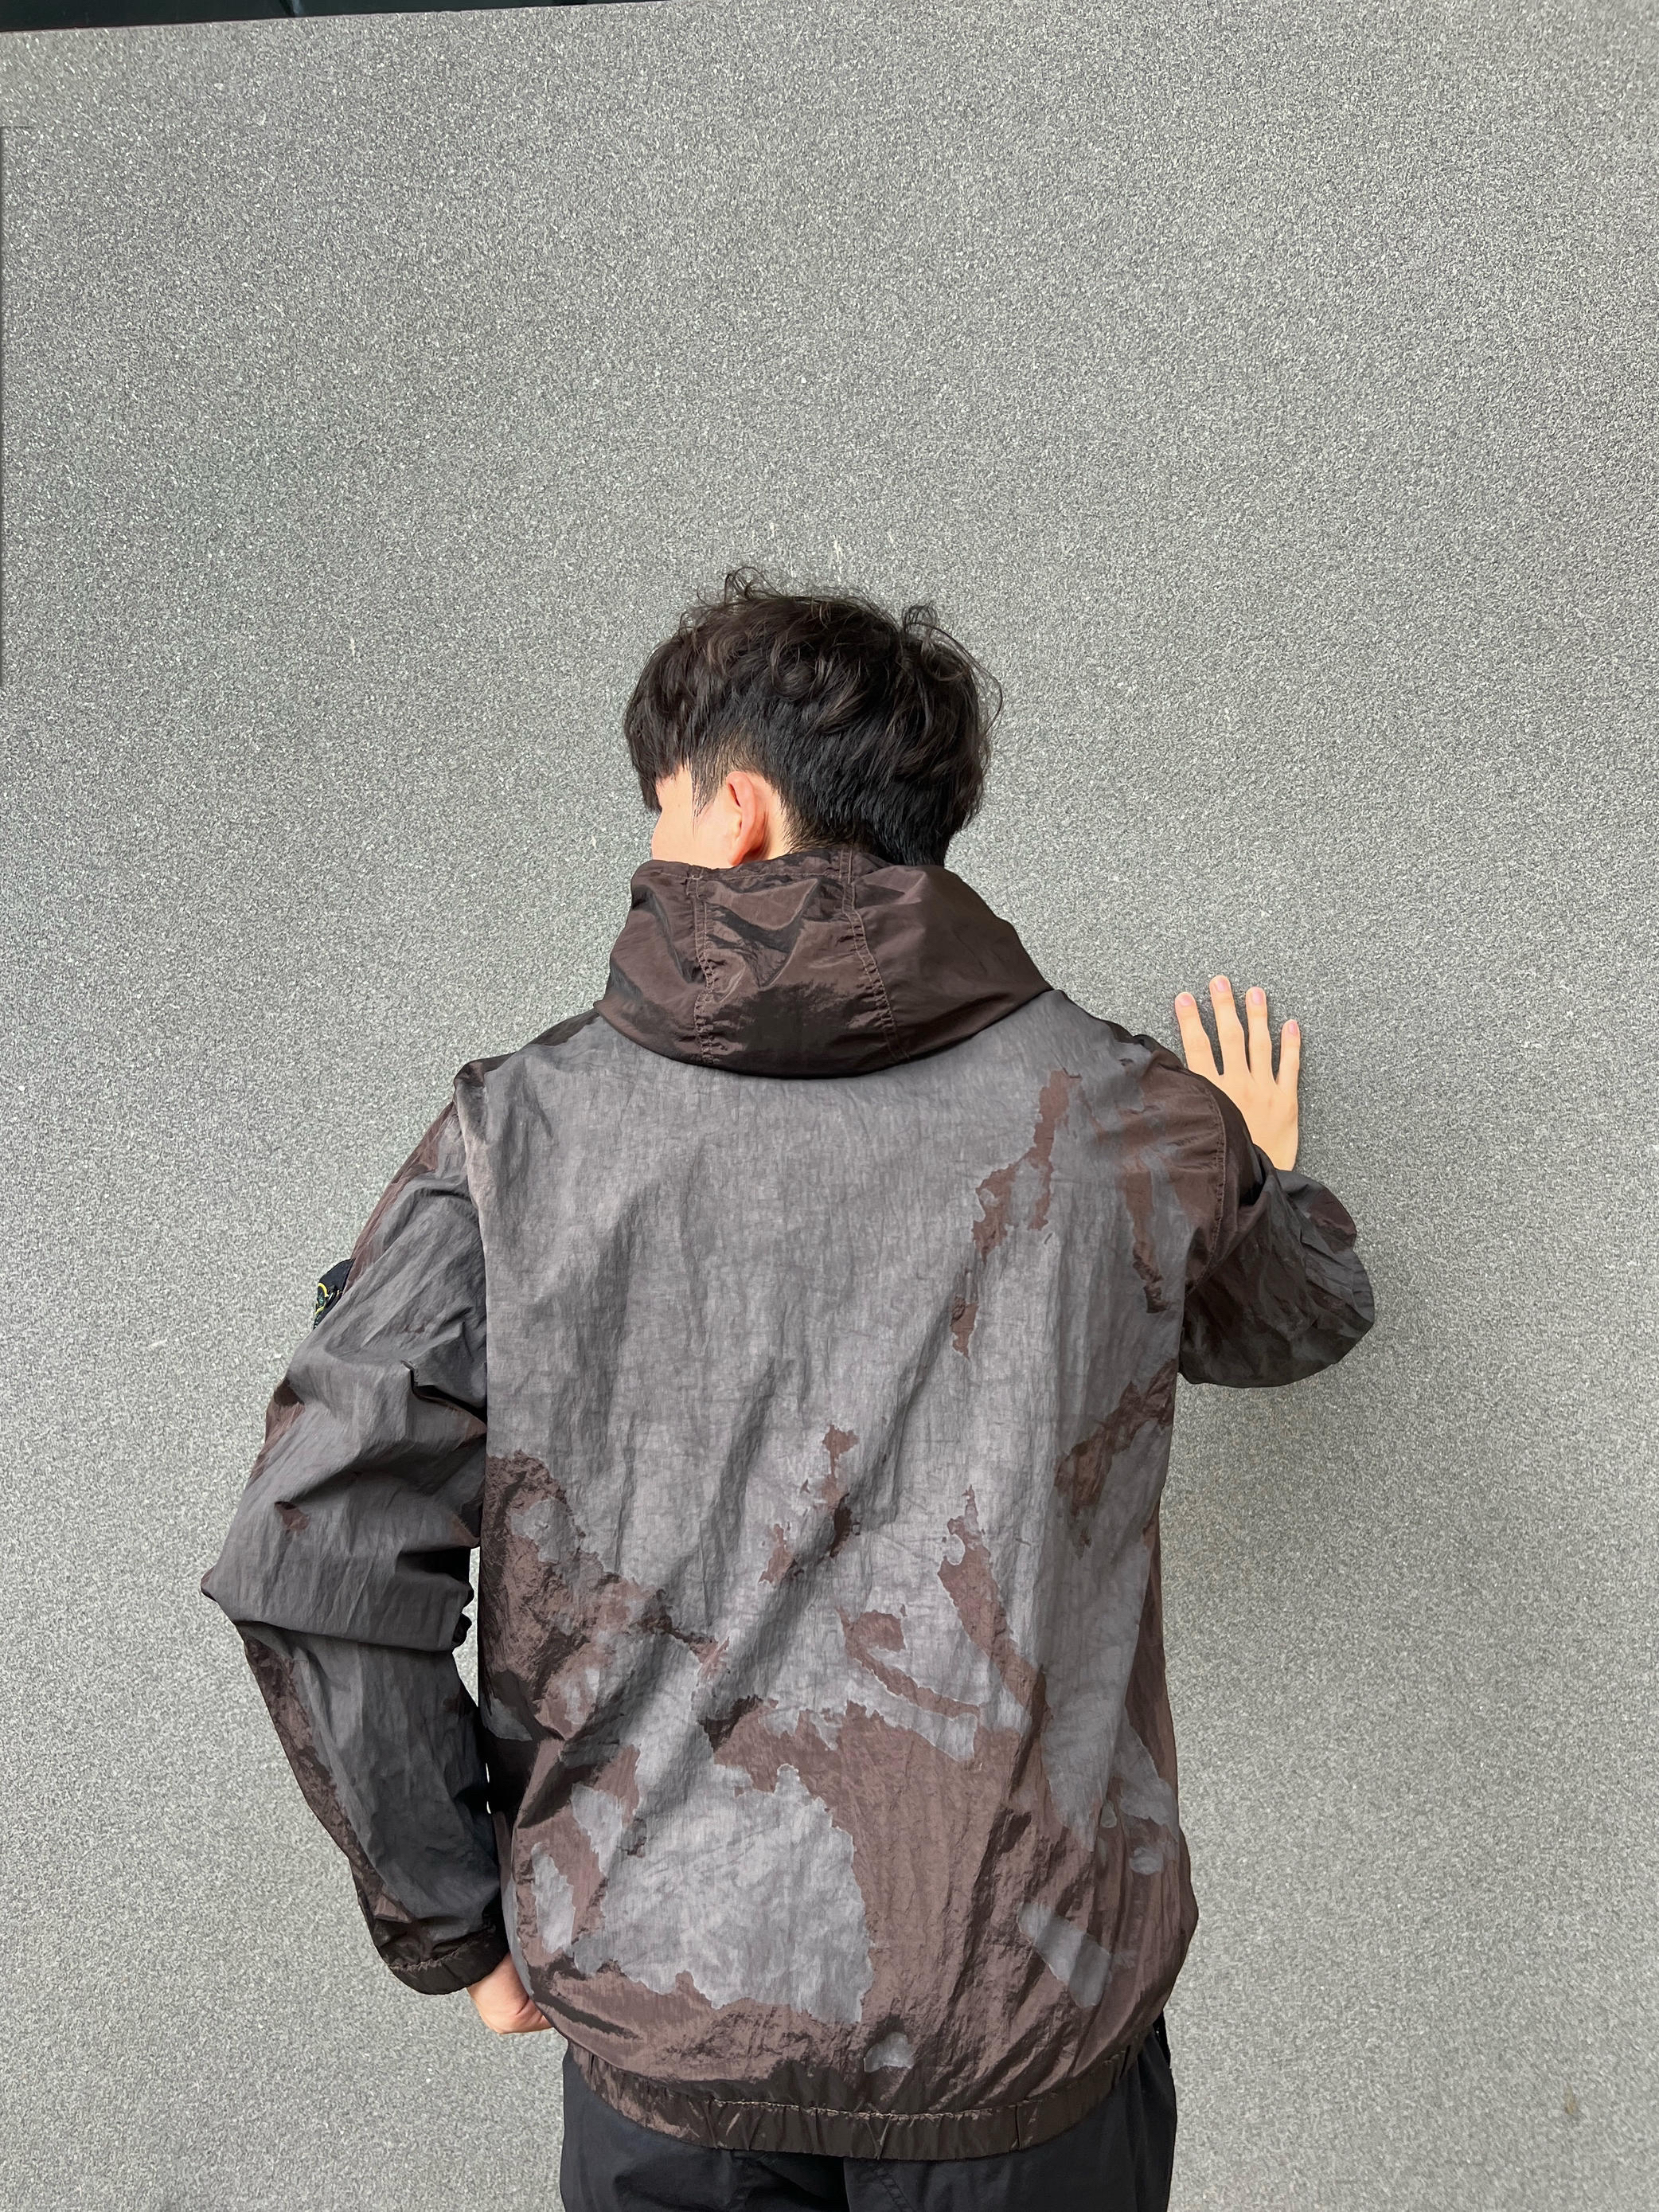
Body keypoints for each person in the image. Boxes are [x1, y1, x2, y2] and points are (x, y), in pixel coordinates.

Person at [201, 566, 1374, 2211]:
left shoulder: (517, 1136)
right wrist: (1254, 1166)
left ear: (738, 811)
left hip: (671, 2029)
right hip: (1024, 2033)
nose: (653, 844)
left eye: (662, 806)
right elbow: (1297, 1319)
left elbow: (312, 1547)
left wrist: (455, 1917)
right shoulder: (1132, 1116)